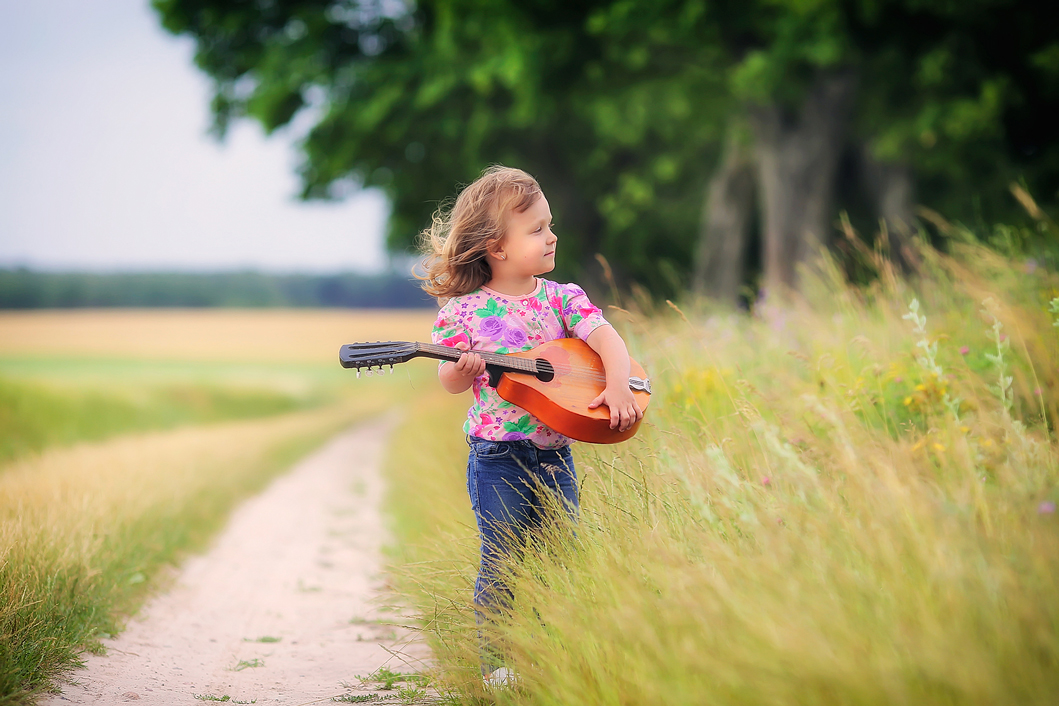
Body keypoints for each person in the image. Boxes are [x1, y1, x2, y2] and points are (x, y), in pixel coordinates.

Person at [417, 165, 642, 686]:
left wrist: (617, 384)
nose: (551, 235)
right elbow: (449, 383)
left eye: (550, 224)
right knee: (503, 558)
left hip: (555, 456)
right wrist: (462, 367)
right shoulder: (465, 312)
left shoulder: (561, 298)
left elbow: (606, 338)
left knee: (560, 556)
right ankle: (497, 665)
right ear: (496, 247)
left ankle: (548, 653)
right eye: (537, 229)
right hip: (497, 456)